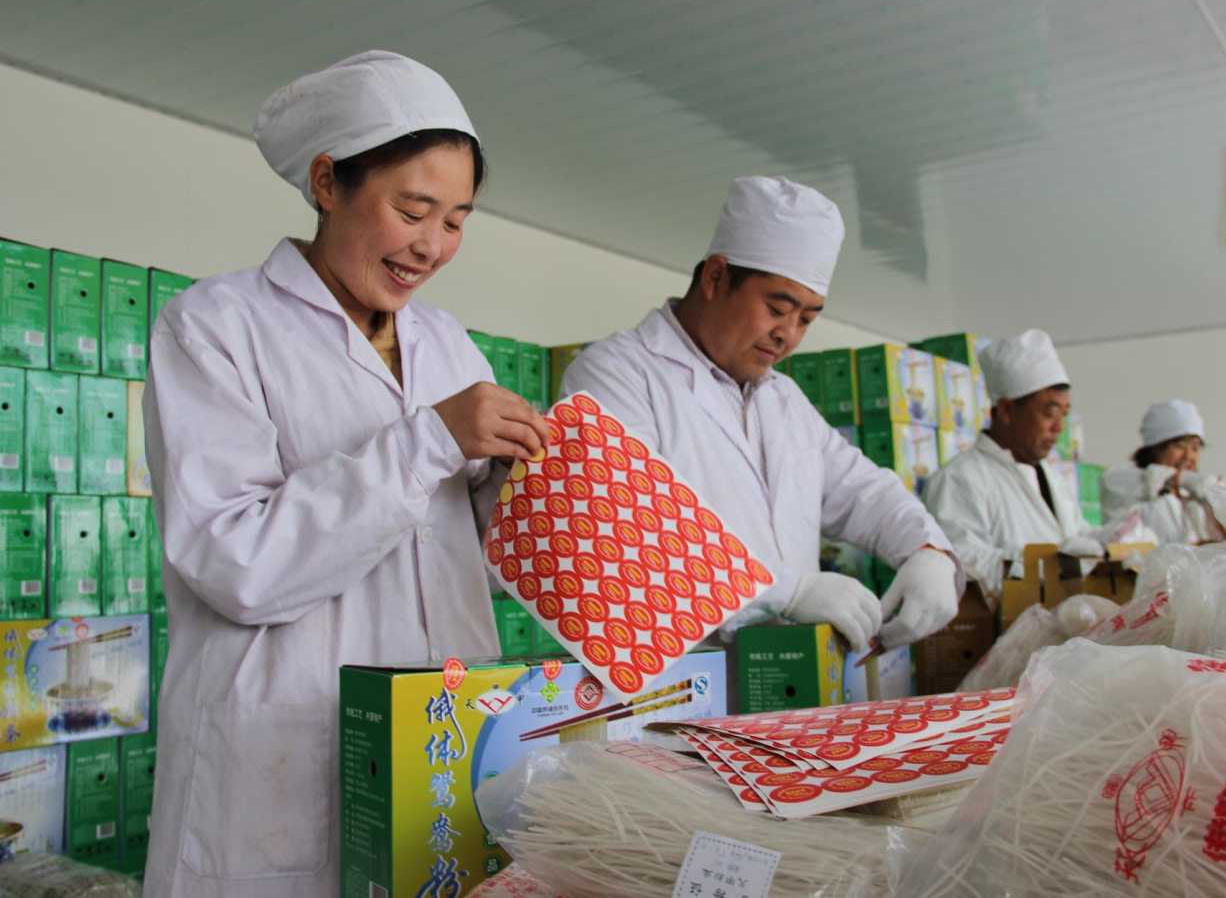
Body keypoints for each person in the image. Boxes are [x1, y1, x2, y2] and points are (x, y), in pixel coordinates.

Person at [141, 51, 548, 898]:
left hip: (440, 743)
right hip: (278, 761)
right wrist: (431, 442)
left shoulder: (449, 346)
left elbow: (462, 554)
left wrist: (509, 492)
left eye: (456, 221)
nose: (432, 246)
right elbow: (236, 564)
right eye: (412, 210)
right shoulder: (216, 326)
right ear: (328, 182)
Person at [560, 176, 963, 654]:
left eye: (807, 319)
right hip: (675, 677)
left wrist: (927, 551)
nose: (788, 335)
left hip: (786, 677)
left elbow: (861, 490)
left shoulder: (783, 398)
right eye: (777, 308)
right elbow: (627, 528)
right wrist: (786, 591)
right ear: (715, 278)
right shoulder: (618, 373)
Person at [925, 329, 1104, 605]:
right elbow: (958, 563)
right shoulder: (960, 478)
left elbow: (1075, 535)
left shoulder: (1050, 475)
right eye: (1049, 413)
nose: (1059, 427)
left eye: (1064, 414)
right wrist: (1046, 564)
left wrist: (1114, 540)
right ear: (1007, 411)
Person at [1101, 400, 1224, 544]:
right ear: (1155, 448)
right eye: (1179, 446)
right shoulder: (1123, 481)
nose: (1188, 456)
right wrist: (1179, 479)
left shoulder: (1191, 496)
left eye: (1195, 448)